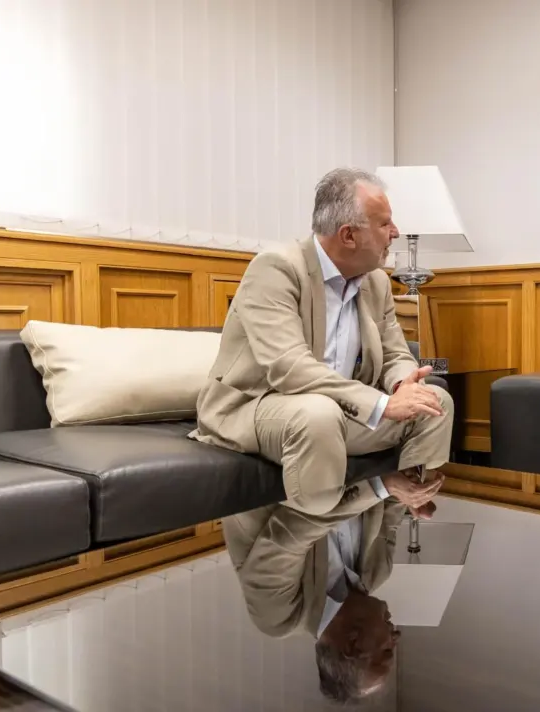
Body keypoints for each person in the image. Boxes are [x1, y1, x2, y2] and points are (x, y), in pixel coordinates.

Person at [190, 166, 454, 520]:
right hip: (258, 407)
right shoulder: (276, 269)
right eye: (384, 224)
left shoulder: (376, 282)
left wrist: (403, 384)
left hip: (339, 409)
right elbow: (290, 369)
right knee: (319, 414)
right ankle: (312, 541)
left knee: (434, 401)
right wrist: (380, 404)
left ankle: (400, 506)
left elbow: (395, 354)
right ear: (348, 236)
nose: (395, 232)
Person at [223, 496, 423, 703]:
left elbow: (292, 529)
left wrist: (376, 489)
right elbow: (393, 505)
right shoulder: (379, 570)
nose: (396, 636)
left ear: (352, 644)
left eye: (387, 650)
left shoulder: (280, 615)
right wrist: (414, 490)